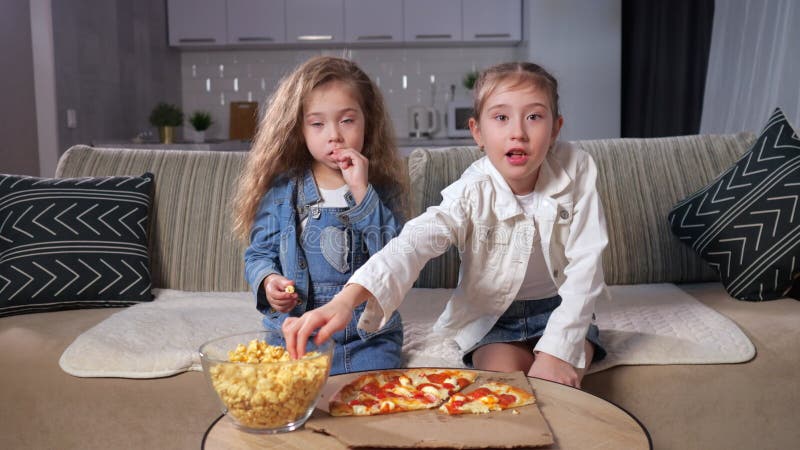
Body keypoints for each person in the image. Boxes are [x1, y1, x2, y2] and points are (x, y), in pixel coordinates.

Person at [283, 61, 609, 388]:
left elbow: (587, 264)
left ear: (555, 129)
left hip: (563, 308)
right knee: (500, 390)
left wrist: (559, 352)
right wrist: (344, 301)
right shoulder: (472, 189)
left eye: (534, 117)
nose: (518, 132)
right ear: (477, 132)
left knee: (558, 386)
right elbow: (413, 243)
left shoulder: (577, 168)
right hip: (495, 317)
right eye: (501, 117)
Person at [231, 56, 408, 375]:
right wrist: (269, 281)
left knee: (369, 396)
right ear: (299, 129)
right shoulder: (283, 191)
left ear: (368, 121)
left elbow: (394, 259)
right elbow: (259, 254)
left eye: (347, 121)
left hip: (367, 338)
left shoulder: (381, 189)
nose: (334, 136)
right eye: (318, 123)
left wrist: (362, 193)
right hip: (295, 335)